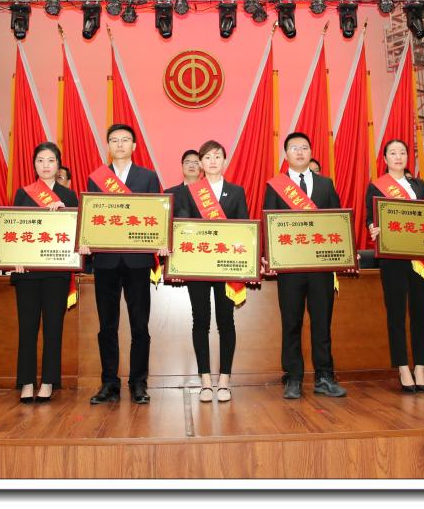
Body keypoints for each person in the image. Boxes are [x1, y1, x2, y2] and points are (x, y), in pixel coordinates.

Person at [82, 123, 164, 405]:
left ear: (134, 146)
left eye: (125, 140)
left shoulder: (148, 177)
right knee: (107, 326)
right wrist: (86, 240)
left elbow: (157, 213)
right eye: (114, 140)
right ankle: (109, 383)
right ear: (108, 146)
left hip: (138, 260)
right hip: (105, 260)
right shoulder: (96, 179)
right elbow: (91, 216)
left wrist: (161, 240)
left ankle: (139, 383)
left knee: (140, 325)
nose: (119, 144)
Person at [263, 132, 346, 400]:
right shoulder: (276, 186)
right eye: (294, 148)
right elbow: (268, 225)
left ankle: (324, 376)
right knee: (291, 322)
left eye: (304, 147)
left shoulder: (325, 184)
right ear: (286, 154)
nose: (299, 152)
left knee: (322, 323)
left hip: (321, 267)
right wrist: (268, 257)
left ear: (311, 152)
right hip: (289, 269)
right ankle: (293, 377)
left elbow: (337, 222)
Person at [173, 140, 248, 403]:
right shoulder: (189, 193)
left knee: (226, 322)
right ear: (201, 163)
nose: (213, 161)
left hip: (226, 267)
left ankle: (225, 380)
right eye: (207, 157)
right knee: (201, 321)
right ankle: (205, 381)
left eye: (217, 156)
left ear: (225, 161)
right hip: (199, 267)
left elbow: (244, 229)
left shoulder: (236, 192)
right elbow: (183, 227)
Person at [365, 139, 424, 393]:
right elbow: (371, 218)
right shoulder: (376, 186)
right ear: (385, 159)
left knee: (420, 314)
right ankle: (403, 367)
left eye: (402, 152)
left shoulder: (418, 185)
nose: (398, 157)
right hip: (392, 258)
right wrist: (373, 228)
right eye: (393, 153)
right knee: (396, 314)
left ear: (408, 157)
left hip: (419, 257)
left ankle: (420, 367)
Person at [11, 141, 77, 403]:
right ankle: (27, 381)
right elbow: (14, 229)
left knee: (53, 328)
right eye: (40, 160)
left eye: (51, 160)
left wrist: (64, 212)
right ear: (34, 164)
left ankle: (49, 381)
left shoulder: (69, 197)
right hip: (27, 270)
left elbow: (75, 233)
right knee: (27, 328)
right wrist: (14, 258)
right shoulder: (23, 193)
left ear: (58, 165)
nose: (46, 165)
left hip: (56, 270)